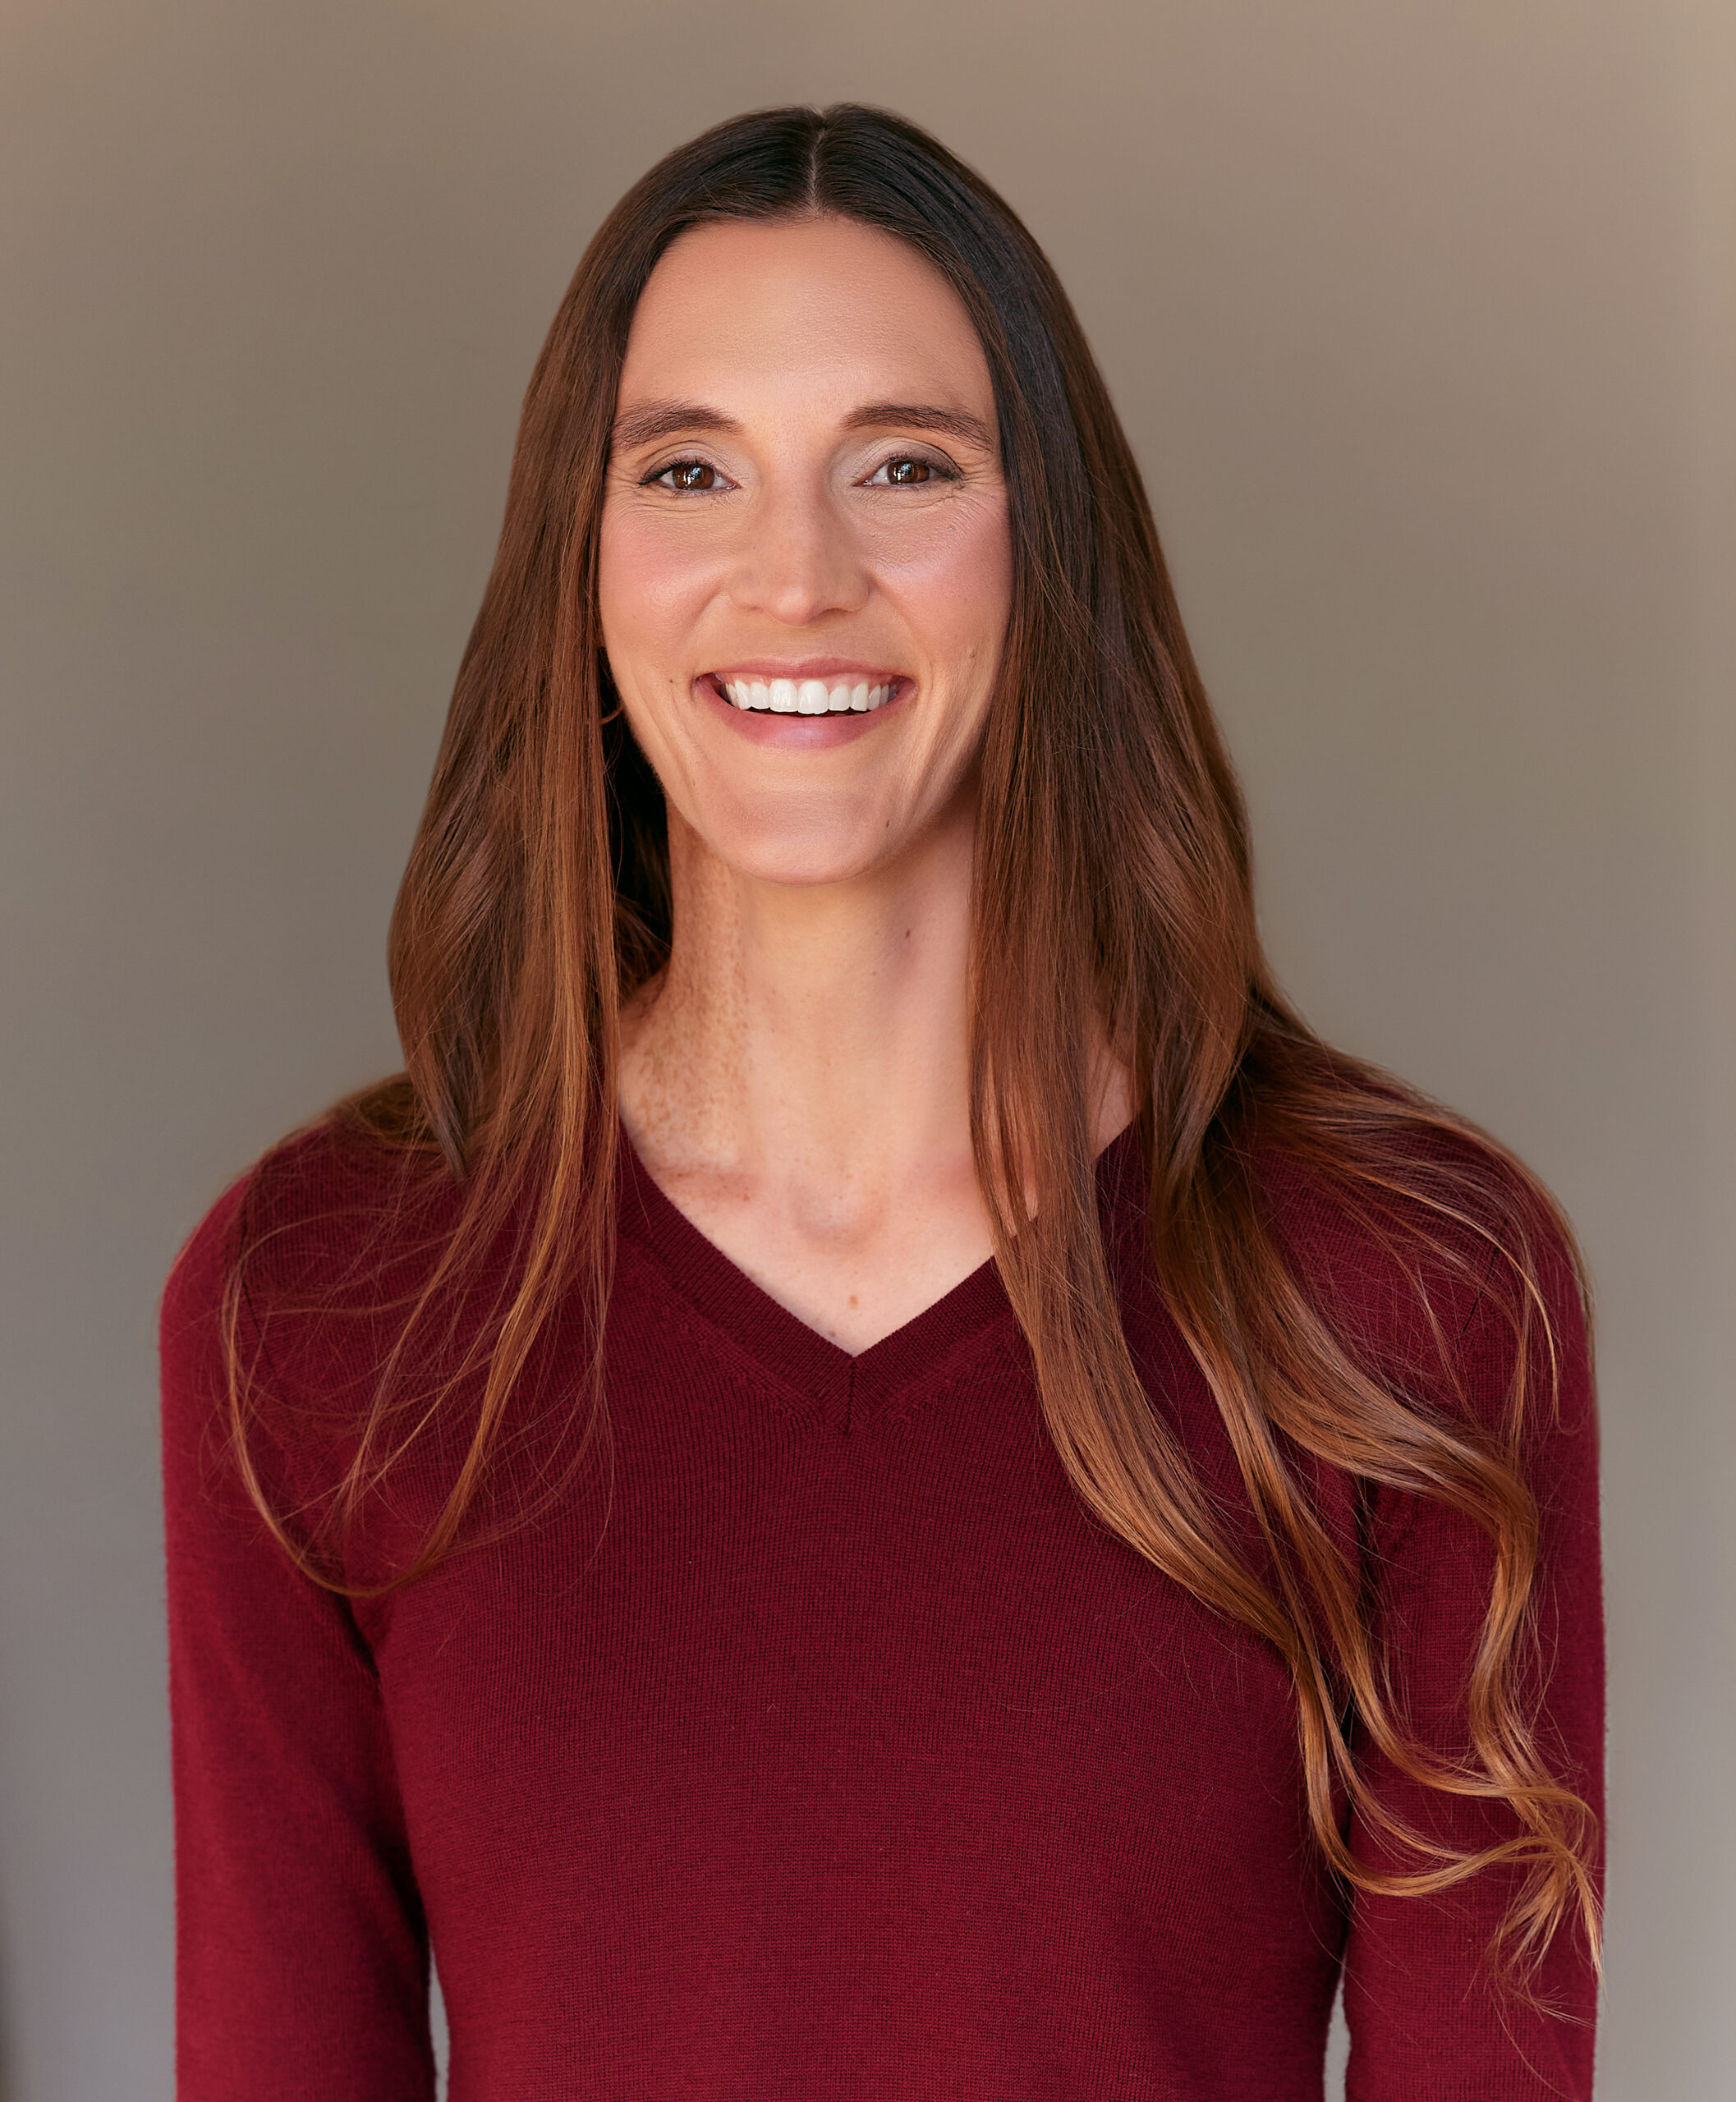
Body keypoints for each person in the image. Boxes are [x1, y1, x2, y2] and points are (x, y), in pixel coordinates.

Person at [159, 104, 1603, 2100]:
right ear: (585, 567)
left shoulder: (1402, 1285)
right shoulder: (320, 1304)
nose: (795, 574)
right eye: (689, 470)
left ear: (1045, 546)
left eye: (902, 466)